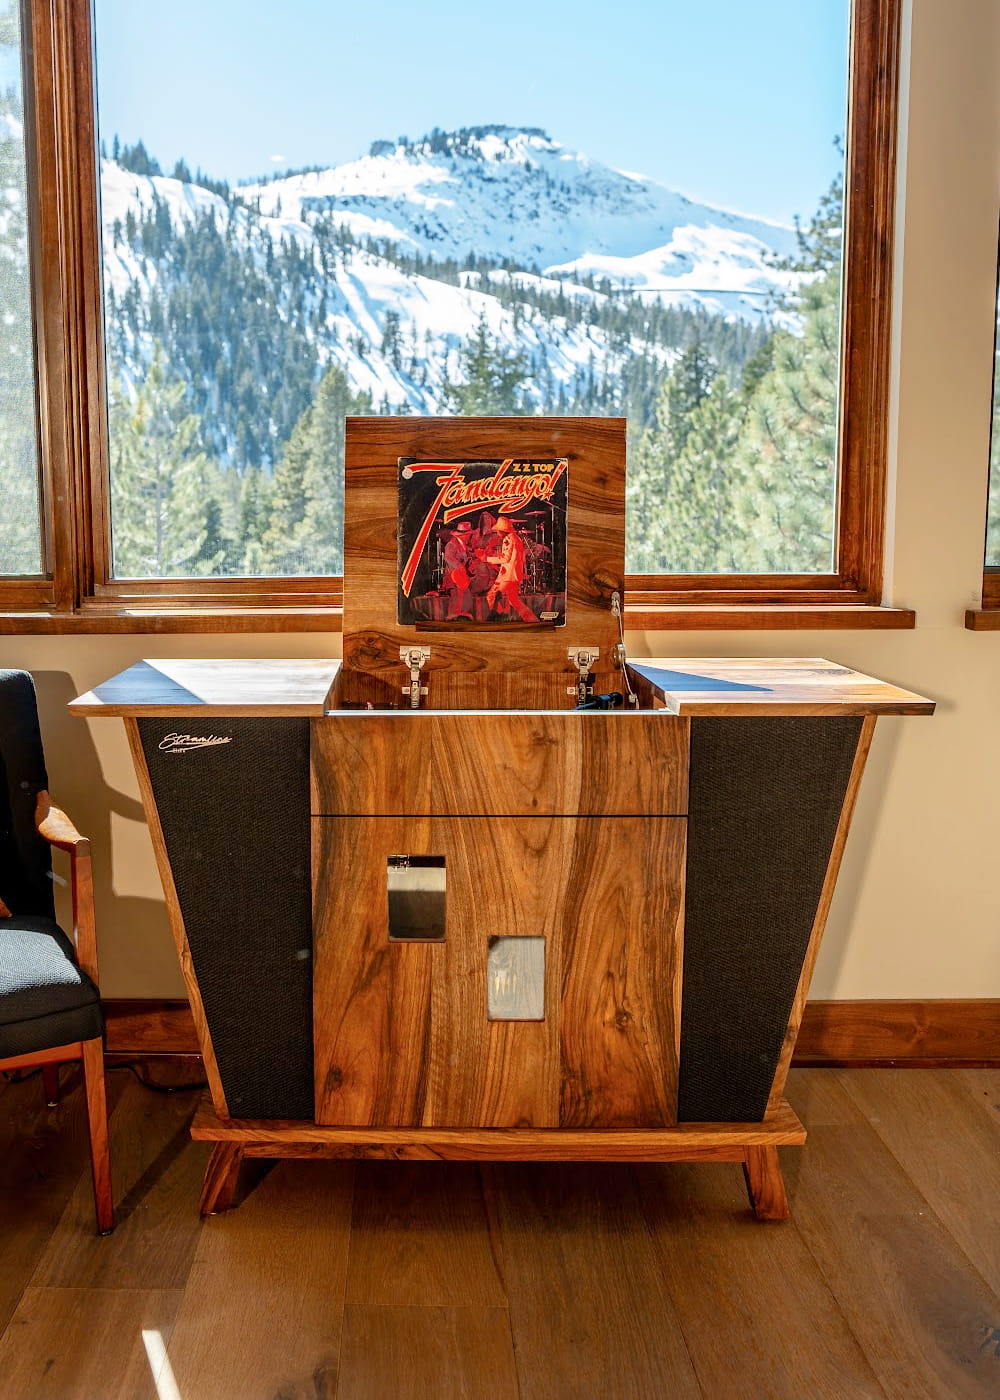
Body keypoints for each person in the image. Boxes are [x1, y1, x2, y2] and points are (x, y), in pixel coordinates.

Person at [486, 516, 540, 623]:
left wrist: (486, 558)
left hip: (508, 577)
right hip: (513, 575)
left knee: (492, 595)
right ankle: (531, 619)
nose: (497, 534)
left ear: (503, 531)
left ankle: (500, 619)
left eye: (498, 531)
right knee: (513, 600)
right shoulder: (516, 538)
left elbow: (505, 559)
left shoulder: (508, 540)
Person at [442, 520, 474, 620]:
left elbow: (467, 557)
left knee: (465, 599)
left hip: (461, 579)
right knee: (456, 600)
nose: (469, 536)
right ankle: (452, 620)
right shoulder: (452, 544)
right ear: (463, 535)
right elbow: (448, 558)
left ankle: (461, 618)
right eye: (468, 534)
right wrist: (460, 567)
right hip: (453, 579)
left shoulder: (463, 545)